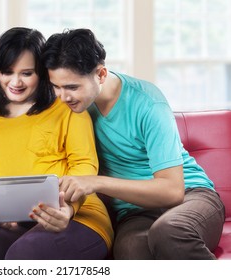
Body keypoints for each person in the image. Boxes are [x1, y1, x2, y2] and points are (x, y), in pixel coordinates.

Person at [41, 28, 225, 260]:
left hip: (192, 196)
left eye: (72, 87)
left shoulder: (148, 103)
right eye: (55, 87)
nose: (62, 97)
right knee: (130, 251)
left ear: (101, 74)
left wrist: (95, 182)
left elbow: (172, 191)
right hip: (134, 212)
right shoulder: (70, 106)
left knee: (169, 231)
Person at [0, 27, 113, 260]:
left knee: (26, 253)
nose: (15, 82)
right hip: (12, 221)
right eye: (7, 72)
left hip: (77, 216)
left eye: (27, 73)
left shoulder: (68, 106)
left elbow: (83, 166)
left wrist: (67, 209)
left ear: (42, 73)